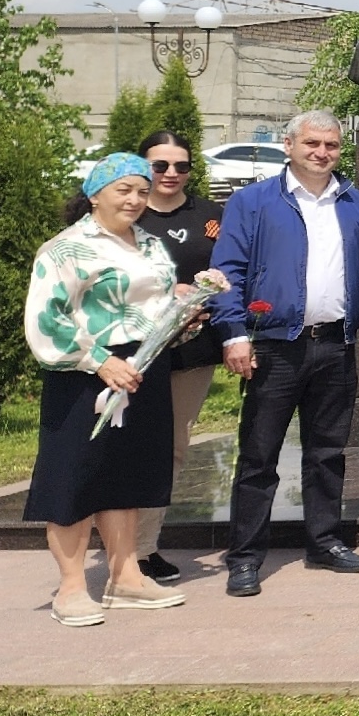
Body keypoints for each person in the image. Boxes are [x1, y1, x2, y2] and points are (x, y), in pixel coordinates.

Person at [211, 109, 359, 597]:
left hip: (335, 344)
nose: (322, 153)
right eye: (312, 144)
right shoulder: (253, 202)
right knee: (259, 456)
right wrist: (234, 334)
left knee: (327, 453)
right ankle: (245, 556)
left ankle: (324, 541)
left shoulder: (356, 204)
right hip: (275, 347)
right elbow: (227, 272)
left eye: (331, 145)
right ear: (288, 146)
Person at [22, 155, 199, 625]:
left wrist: (182, 320)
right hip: (86, 375)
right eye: (124, 190)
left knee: (126, 474)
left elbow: (153, 305)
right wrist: (101, 362)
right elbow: (46, 320)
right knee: (75, 478)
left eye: (142, 191)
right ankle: (71, 588)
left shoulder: (149, 243)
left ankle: (125, 577)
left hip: (145, 368)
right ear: (95, 193)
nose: (136, 200)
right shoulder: (66, 249)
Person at [130, 131, 222, 586]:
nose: (170, 174)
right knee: (125, 447)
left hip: (192, 350)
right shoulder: (126, 211)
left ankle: (145, 548)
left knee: (173, 449)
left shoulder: (209, 215)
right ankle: (117, 546)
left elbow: (229, 268)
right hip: (129, 352)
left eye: (180, 166)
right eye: (160, 165)